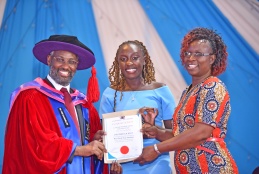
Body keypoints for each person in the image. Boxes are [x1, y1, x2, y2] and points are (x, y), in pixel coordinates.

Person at [2, 35, 122, 174]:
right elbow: (35, 144)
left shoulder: (84, 104)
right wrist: (80, 150)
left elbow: (92, 151)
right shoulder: (30, 97)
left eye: (72, 62)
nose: (66, 66)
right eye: (60, 60)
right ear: (49, 60)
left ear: (76, 66)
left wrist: (95, 141)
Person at [134, 27, 239, 173]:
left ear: (212, 58)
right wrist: (157, 132)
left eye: (198, 54)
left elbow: (200, 133)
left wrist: (156, 149)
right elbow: (181, 135)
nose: (190, 58)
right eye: (188, 53)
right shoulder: (188, 91)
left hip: (211, 168)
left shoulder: (213, 86)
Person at [99, 40, 176, 173]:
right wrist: (112, 163)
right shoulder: (110, 94)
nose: (129, 63)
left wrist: (155, 133)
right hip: (123, 166)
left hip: (157, 164)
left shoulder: (161, 90)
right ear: (118, 63)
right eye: (123, 59)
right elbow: (106, 136)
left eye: (135, 58)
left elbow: (176, 136)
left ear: (144, 60)